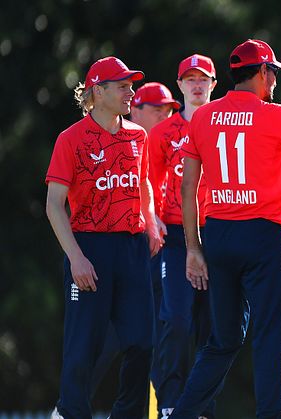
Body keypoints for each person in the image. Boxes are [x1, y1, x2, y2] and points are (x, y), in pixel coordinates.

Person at [167, 39, 281, 419]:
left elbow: (188, 188)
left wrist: (192, 248)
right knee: (270, 339)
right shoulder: (276, 115)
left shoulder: (202, 117)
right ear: (264, 73)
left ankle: (182, 414)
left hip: (217, 236)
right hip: (263, 236)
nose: (274, 81)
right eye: (273, 74)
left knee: (223, 339)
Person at [46, 56, 162, 418]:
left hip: (131, 249)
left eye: (131, 85)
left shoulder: (137, 135)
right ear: (98, 91)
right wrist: (76, 257)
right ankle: (70, 413)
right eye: (123, 86)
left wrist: (150, 220)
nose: (131, 92)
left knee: (143, 342)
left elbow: (143, 182)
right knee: (83, 348)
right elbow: (53, 206)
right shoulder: (71, 139)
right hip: (90, 248)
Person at [88, 81, 179, 400]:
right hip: (119, 255)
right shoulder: (119, 141)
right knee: (105, 340)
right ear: (135, 110)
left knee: (154, 339)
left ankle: (157, 408)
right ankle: (69, 405)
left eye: (168, 112)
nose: (164, 117)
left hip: (157, 256)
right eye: (157, 111)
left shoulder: (168, 144)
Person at [148, 54, 218, 418]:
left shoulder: (224, 125)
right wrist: (153, 218)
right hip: (176, 236)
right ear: (179, 85)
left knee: (213, 324)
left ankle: (202, 405)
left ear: (213, 84)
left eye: (202, 78)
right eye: (189, 79)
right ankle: (170, 403)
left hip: (218, 232)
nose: (196, 84)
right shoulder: (163, 133)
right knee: (176, 318)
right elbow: (149, 180)